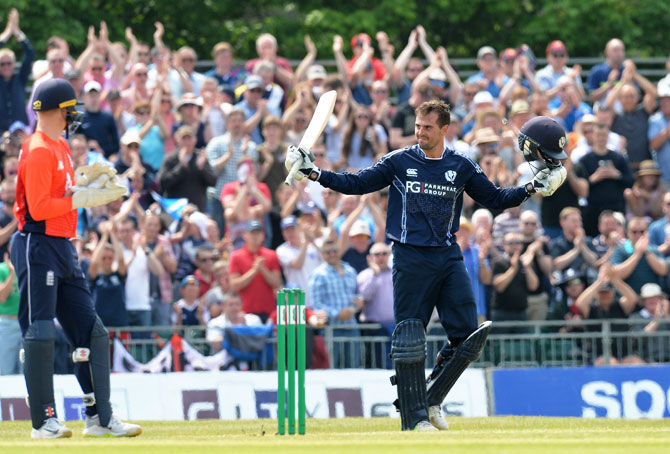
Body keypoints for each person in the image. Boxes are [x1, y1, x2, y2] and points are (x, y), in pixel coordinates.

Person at [284, 101, 567, 431]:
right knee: (409, 337)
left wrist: (531, 188)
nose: (420, 132)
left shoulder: (461, 165)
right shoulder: (400, 160)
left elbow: (496, 199)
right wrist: (315, 173)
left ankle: (431, 398)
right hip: (409, 256)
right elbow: (358, 183)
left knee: (468, 335)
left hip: (447, 256)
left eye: (427, 127)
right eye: (418, 126)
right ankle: (414, 418)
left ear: (444, 129)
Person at [9, 78, 139, 438]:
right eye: (69, 109)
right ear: (54, 110)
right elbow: (38, 207)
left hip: (64, 245)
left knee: (92, 331)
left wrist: (86, 188)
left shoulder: (62, 146)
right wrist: (81, 199)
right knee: (40, 332)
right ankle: (43, 421)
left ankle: (100, 417)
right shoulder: (37, 149)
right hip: (38, 246)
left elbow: (61, 194)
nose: (73, 116)